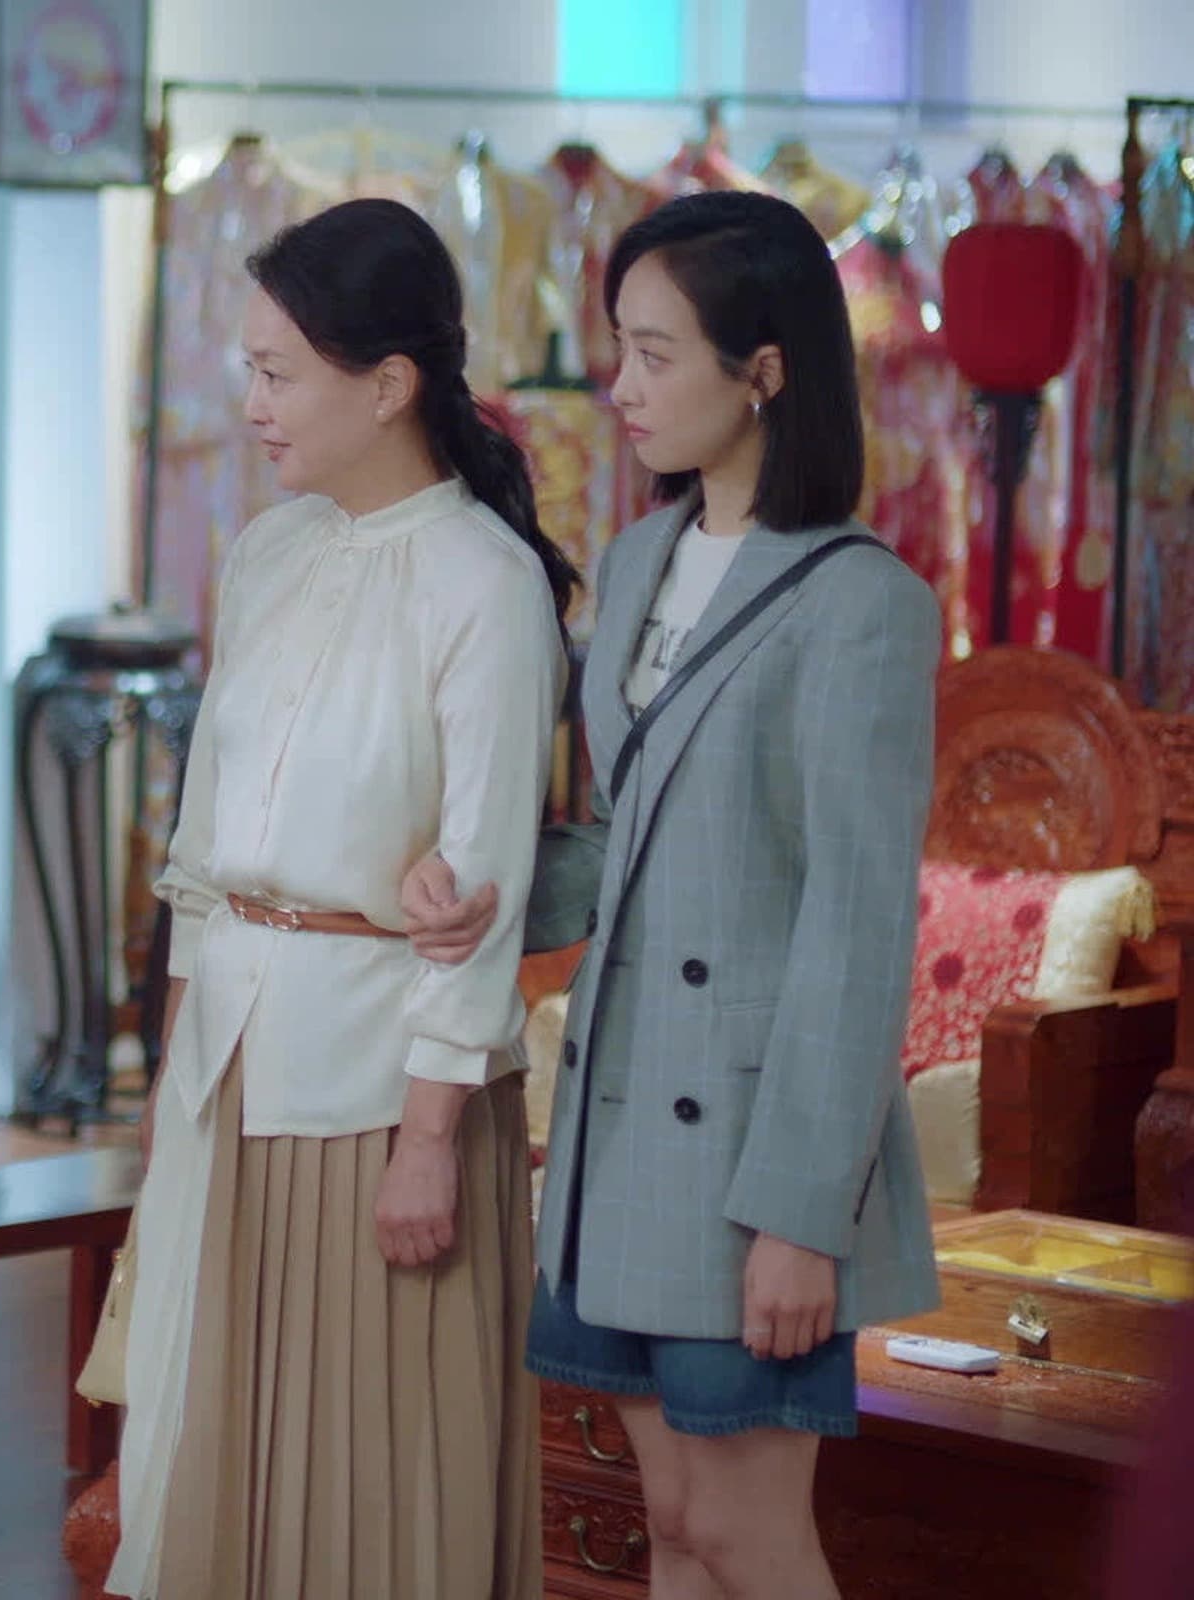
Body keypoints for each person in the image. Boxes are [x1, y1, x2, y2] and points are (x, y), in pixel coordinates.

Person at [402, 190, 941, 1600]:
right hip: (618, 1121)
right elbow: (636, 838)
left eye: (653, 355)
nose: (621, 389)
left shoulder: (861, 603)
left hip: (755, 1151)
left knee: (750, 1532)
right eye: (619, 349)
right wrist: (489, 890)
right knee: (678, 1523)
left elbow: (857, 926)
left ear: (763, 372)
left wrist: (804, 1217)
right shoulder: (639, 560)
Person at [107, 197, 571, 1600]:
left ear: (387, 385)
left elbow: (483, 890)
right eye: (248, 371)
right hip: (230, 1068)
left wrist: (430, 1140)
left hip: (379, 1094)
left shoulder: (486, 584)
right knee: (211, 1450)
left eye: (276, 373)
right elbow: (199, 856)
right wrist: (171, 1072)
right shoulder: (270, 552)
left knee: (367, 1476)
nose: (250, 406)